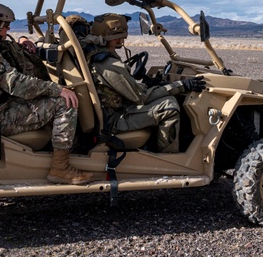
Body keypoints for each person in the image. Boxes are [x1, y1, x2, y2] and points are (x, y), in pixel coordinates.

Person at [0, 2, 93, 185]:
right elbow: (16, 84)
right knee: (65, 103)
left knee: (52, 96)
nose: (8, 28)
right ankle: (60, 167)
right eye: (5, 25)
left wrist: (22, 40)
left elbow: (6, 48)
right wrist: (58, 89)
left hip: (1, 106)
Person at [86, 13, 206, 153]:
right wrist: (182, 86)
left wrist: (152, 85)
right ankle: (169, 159)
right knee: (169, 106)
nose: (124, 37)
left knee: (164, 98)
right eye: (121, 33)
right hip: (114, 120)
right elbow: (141, 97)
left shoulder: (102, 57)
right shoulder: (108, 63)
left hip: (116, 111)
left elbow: (130, 89)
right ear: (113, 36)